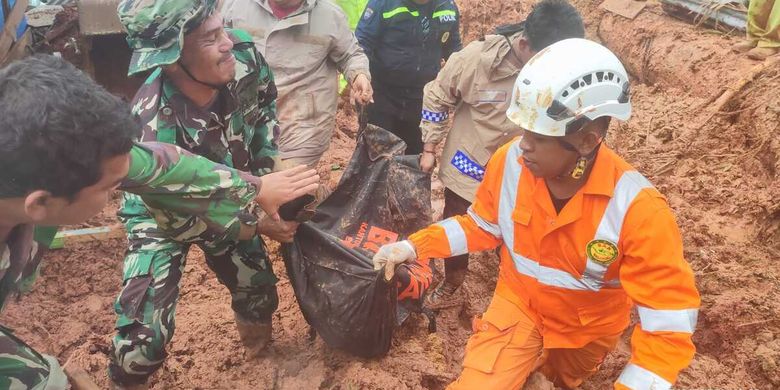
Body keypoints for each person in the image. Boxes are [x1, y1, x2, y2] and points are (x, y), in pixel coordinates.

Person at [373, 38, 700, 389]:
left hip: (585, 331)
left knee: (557, 381)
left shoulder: (639, 211)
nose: (522, 144)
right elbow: (480, 226)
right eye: (524, 129)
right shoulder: (511, 162)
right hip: (519, 306)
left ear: (587, 141)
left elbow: (667, 328)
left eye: (539, 136)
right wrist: (413, 247)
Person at [0, 55, 318, 390]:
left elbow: (160, 166)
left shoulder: (52, 161)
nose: (123, 186)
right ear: (40, 205)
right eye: (112, 188)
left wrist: (254, 187)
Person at [111, 0, 312, 387]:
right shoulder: (151, 131)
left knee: (257, 291)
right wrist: (259, 225)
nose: (227, 44)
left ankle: (257, 356)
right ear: (172, 59)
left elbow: (265, 107)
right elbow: (184, 221)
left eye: (222, 30)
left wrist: (267, 170)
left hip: (240, 187)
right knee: (143, 340)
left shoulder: (242, 56)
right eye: (210, 38)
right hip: (162, 216)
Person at [418, 0, 585, 309]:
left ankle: (515, 278)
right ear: (524, 44)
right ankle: (453, 279)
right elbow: (438, 94)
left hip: (527, 161)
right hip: (471, 159)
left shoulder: (567, 68)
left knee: (524, 221)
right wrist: (430, 145)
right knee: (458, 217)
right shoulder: (477, 60)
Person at [222, 0, 373, 168]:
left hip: (303, 124)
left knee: (283, 181)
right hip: (244, 118)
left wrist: (359, 74)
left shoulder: (329, 15)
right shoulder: (236, 7)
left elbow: (350, 54)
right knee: (246, 178)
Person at [356, 0, 462, 155]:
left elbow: (454, 49)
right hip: (382, 95)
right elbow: (362, 43)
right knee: (374, 155)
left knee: (413, 160)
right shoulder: (382, 4)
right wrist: (361, 75)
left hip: (422, 98)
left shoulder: (447, 7)